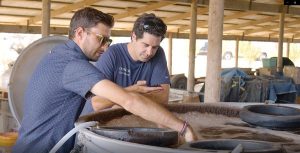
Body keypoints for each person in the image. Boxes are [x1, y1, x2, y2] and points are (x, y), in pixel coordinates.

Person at [13, 7, 196, 153]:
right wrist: (183, 127)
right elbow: (129, 100)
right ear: (80, 33)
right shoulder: (73, 65)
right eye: (100, 39)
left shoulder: (57, 55)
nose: (105, 48)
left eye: (108, 41)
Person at [83, 13, 170, 111]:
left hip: (129, 119)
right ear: (133, 36)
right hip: (97, 121)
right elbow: (97, 103)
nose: (149, 52)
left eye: (154, 47)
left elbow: (163, 99)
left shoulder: (158, 53)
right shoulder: (112, 54)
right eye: (145, 45)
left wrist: (118, 99)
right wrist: (133, 90)